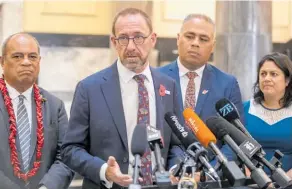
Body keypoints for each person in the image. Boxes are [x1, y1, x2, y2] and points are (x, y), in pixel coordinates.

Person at [61, 8, 184, 189]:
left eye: (139, 37)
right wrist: (104, 170)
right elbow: (70, 150)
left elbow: (177, 143)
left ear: (153, 39)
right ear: (114, 42)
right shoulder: (89, 88)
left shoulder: (169, 86)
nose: (131, 46)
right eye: (123, 38)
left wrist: (174, 169)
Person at [158, 14, 244, 161]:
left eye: (203, 39)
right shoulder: (156, 78)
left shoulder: (227, 84)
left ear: (213, 46)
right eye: (189, 36)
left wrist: (213, 171)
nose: (195, 43)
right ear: (178, 39)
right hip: (165, 173)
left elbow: (235, 138)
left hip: (211, 175)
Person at [0, 33, 74, 189]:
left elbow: (67, 156)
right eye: (18, 56)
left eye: (32, 57)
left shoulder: (55, 106)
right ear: (2, 61)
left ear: (39, 62)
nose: (26, 62)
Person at [244, 52, 292, 177]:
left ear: (287, 80)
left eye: (274, 74)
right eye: (263, 74)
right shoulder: (245, 109)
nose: (267, 78)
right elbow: (236, 149)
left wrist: (284, 181)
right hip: (251, 183)